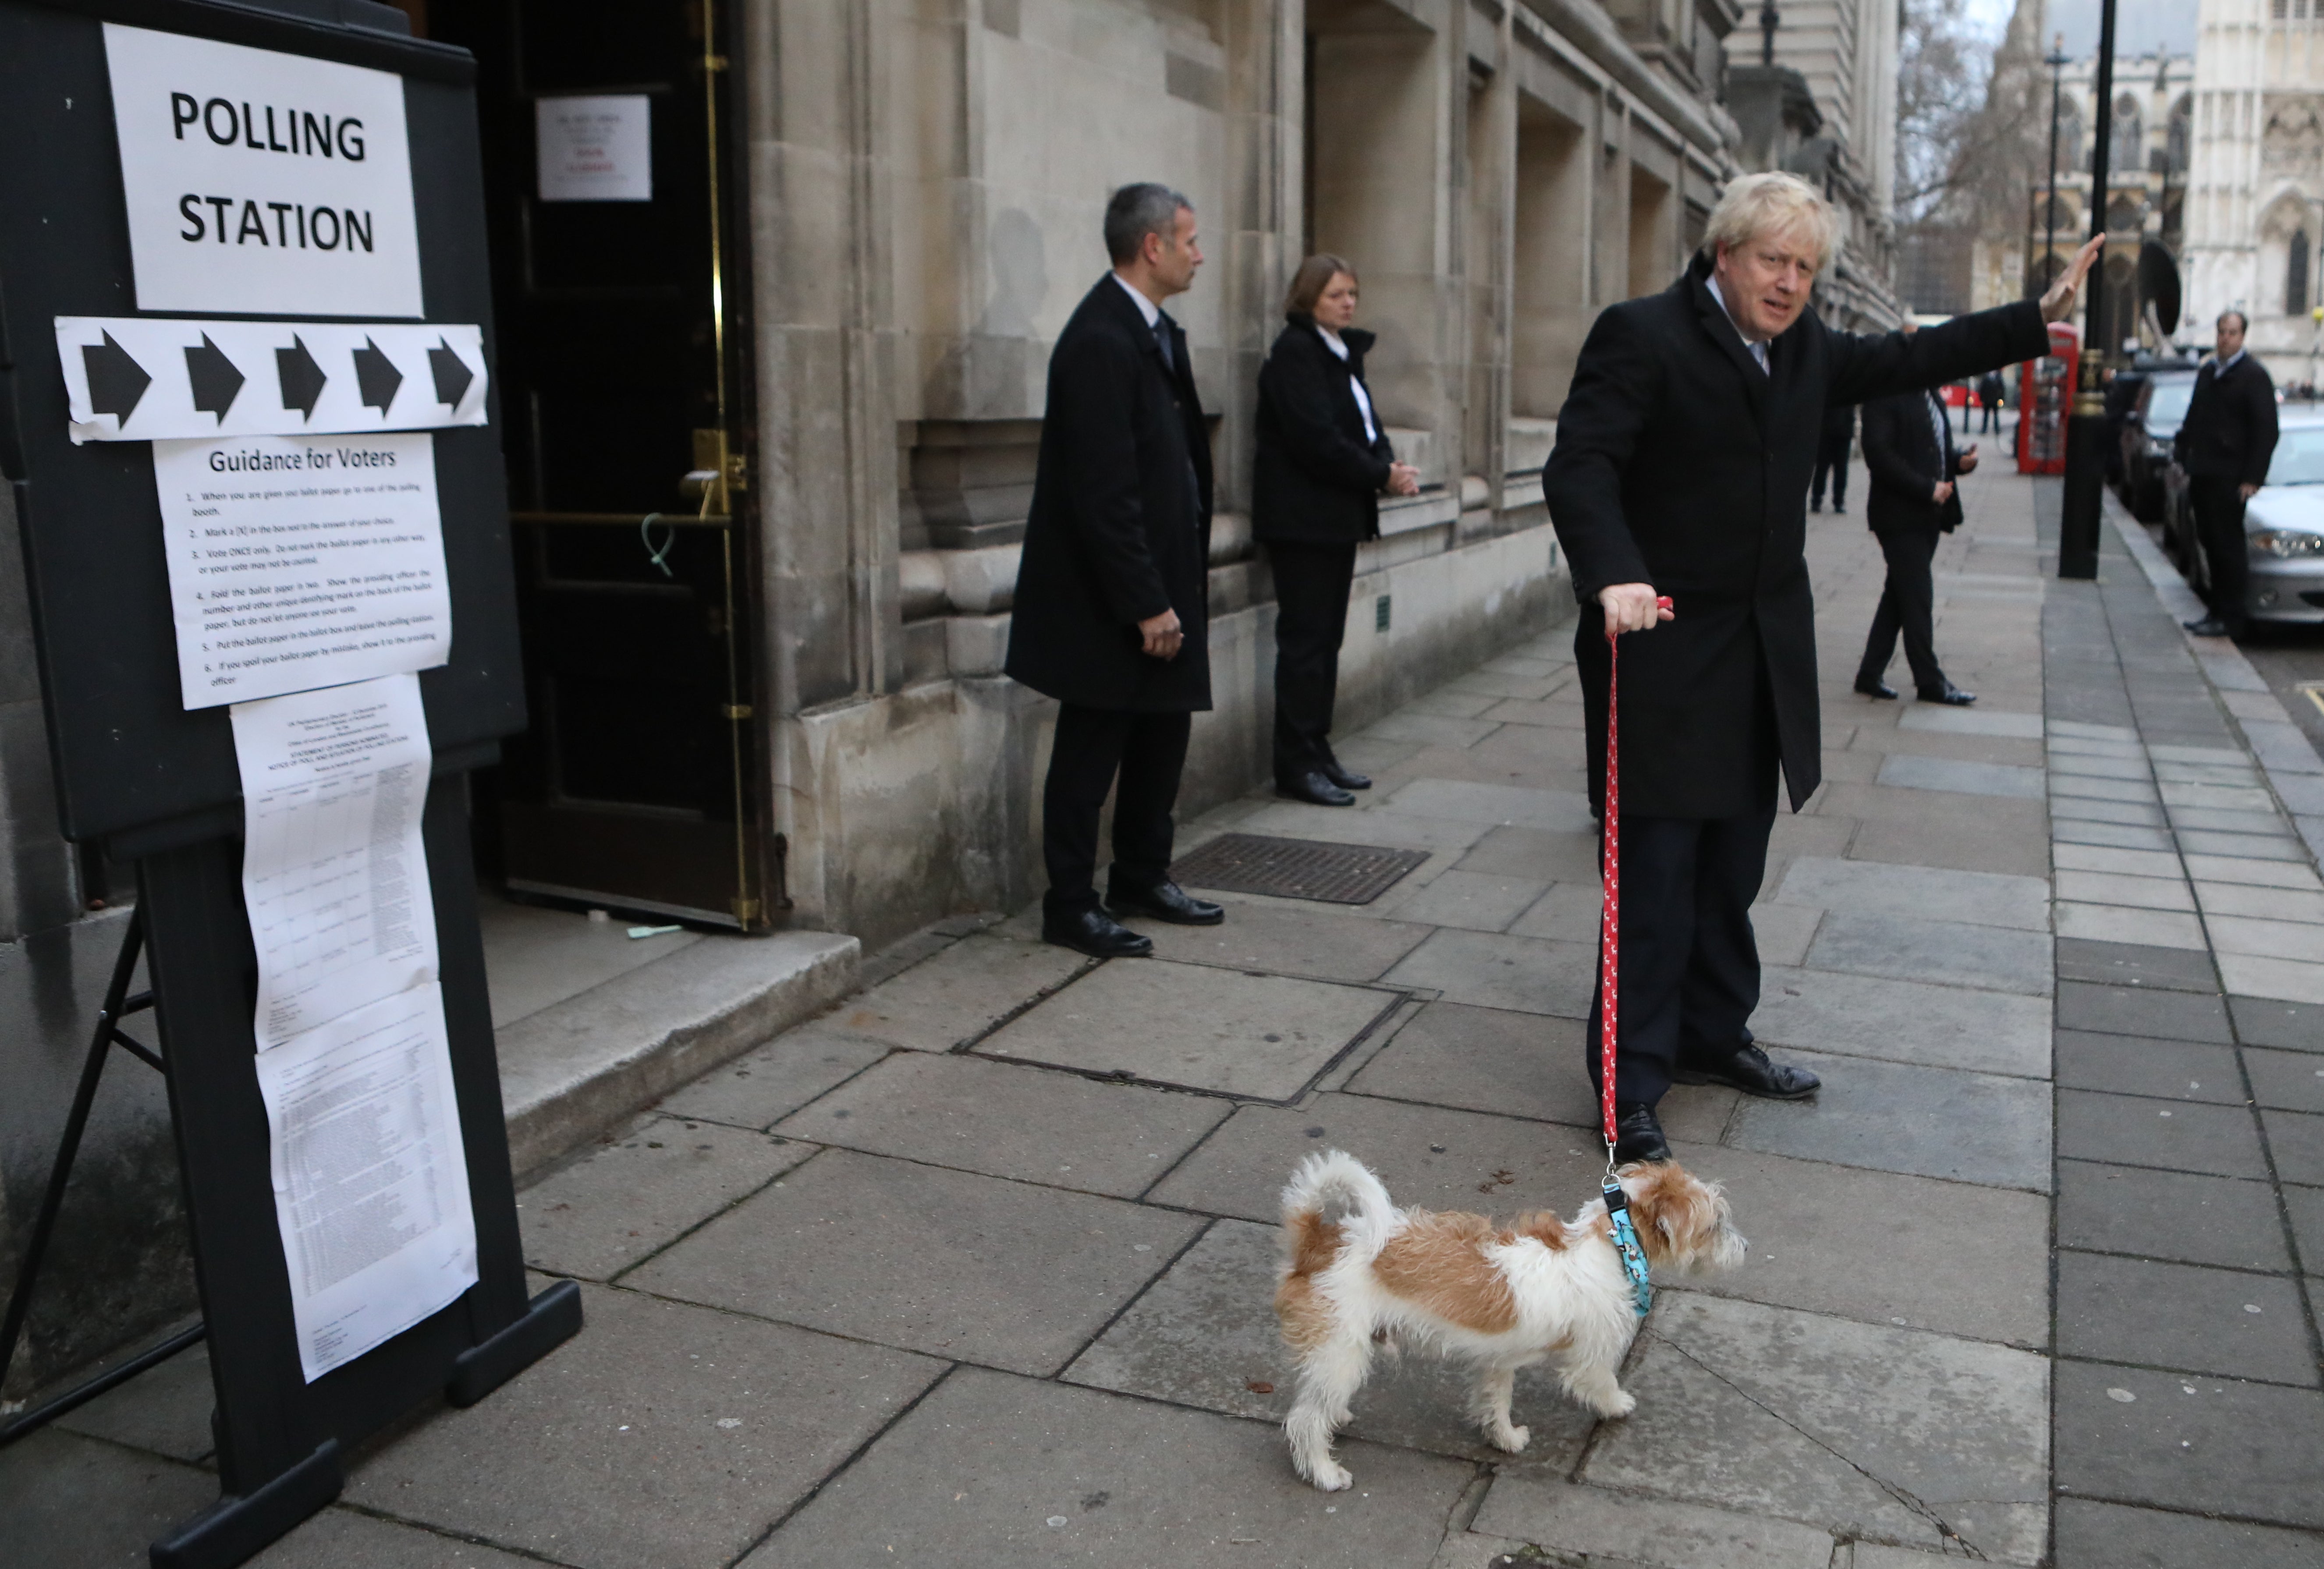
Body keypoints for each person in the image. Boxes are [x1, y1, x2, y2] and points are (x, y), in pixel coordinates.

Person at [1542, 170, 2100, 1164]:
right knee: (1655, 875)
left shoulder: (1800, 348)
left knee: (1733, 864)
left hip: (1761, 652)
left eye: (1803, 267)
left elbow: (1910, 354)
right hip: (1663, 643)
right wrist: (1613, 574)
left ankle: (1712, 1035)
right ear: (1724, 253)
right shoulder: (1642, 334)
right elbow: (1579, 464)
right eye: (1772, 260)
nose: (1789, 283)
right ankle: (1627, 1084)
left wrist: (2035, 317)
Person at [1004, 183, 1226, 959]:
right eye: (1190, 240)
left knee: (1161, 737)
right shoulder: (1100, 337)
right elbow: (1104, 493)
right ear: (1151, 247)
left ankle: (1141, 874)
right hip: (1114, 599)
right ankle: (1069, 902)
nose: (1200, 254)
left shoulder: (1155, 330)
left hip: (1164, 580)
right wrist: (1146, 604)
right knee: (1090, 750)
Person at [1253, 255, 1421, 806]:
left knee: (1326, 640)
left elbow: (1364, 424)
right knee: (1304, 643)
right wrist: (1380, 474)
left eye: (1352, 293)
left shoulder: (1341, 353)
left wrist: (1388, 464)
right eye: (1335, 294)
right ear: (1307, 299)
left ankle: (1317, 749)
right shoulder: (1294, 354)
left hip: (1334, 520)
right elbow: (1315, 439)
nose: (1348, 303)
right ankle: (1295, 763)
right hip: (1302, 523)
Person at [1855, 356, 1980, 706]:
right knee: (1917, 598)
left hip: (1928, 515)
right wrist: (1926, 488)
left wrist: (1958, 461)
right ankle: (1929, 681)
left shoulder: (1929, 395)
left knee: (1898, 596)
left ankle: (1869, 673)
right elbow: (1877, 454)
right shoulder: (1885, 395)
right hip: (1898, 516)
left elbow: (1931, 447)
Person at [2177, 310, 2281, 639]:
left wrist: (2252, 477)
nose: (2225, 338)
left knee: (2228, 547)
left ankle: (2231, 616)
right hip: (2203, 472)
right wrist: (2182, 453)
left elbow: (2266, 431)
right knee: (2208, 542)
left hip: (2231, 477)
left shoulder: (2253, 376)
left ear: (2242, 337)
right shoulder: (2208, 372)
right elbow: (2194, 417)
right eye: (2221, 332)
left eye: (2232, 333)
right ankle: (2215, 610)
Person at [1808, 402, 1853, 514]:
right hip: (1827, 431)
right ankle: (1817, 499)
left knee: (1840, 469)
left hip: (1842, 433)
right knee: (1823, 468)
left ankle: (1838, 500)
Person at [1977, 369, 2006, 434]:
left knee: (1996, 416)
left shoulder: (1998, 378)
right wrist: (1982, 398)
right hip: (1987, 400)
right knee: (1986, 416)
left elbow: (2002, 389)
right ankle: (1984, 429)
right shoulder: (1986, 378)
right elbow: (1982, 389)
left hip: (1995, 400)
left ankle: (1997, 430)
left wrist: (2001, 399)